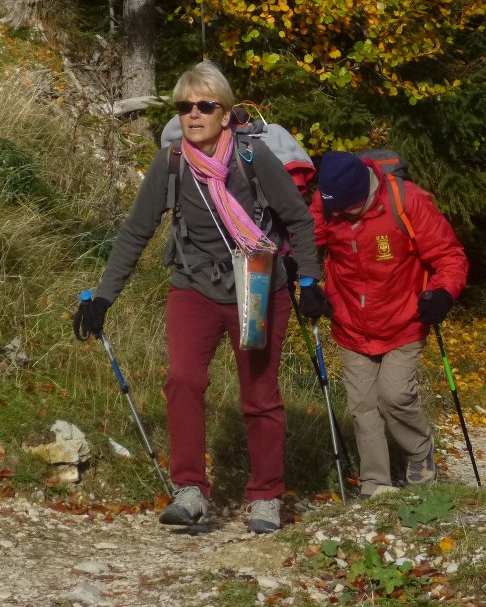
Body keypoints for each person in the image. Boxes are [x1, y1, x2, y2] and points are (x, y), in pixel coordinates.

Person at [72, 61, 327, 533]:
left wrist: (309, 279)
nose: (194, 114)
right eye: (185, 106)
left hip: (259, 289)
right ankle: (190, 490)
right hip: (193, 288)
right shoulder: (171, 163)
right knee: (184, 380)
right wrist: (104, 297)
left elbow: (298, 219)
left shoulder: (253, 159)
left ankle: (266, 496)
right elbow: (136, 232)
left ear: (225, 113)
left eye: (205, 106)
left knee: (259, 396)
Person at [306, 151, 469, 499]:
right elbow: (306, 244)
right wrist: (306, 282)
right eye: (334, 210)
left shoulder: (407, 200)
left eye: (349, 208)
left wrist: (443, 294)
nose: (341, 216)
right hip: (349, 321)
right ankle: (375, 484)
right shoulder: (326, 202)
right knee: (363, 406)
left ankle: (419, 455)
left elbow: (450, 256)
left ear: (365, 190)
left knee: (394, 395)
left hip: (404, 319)